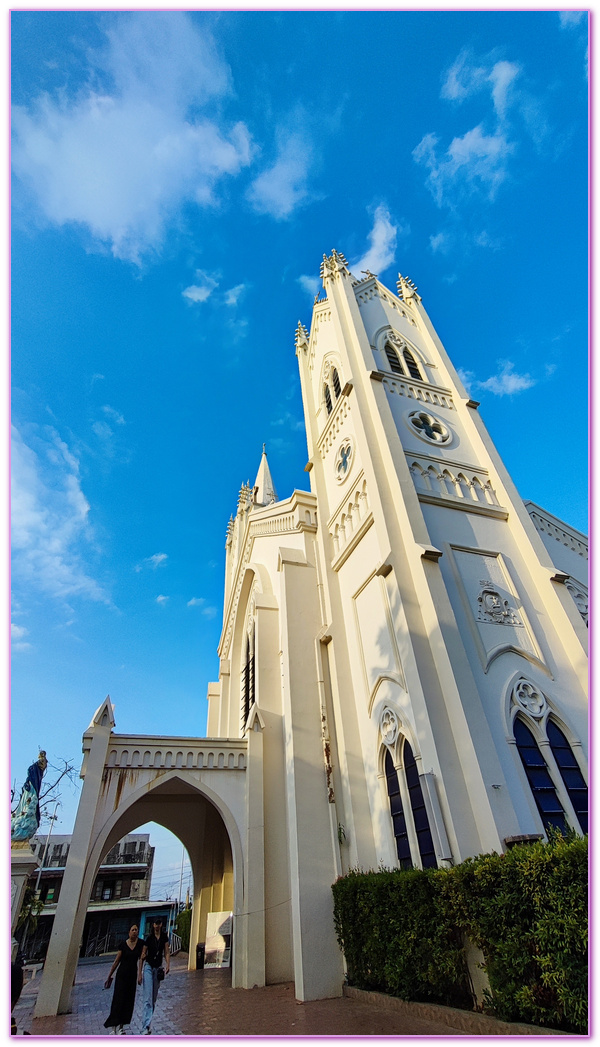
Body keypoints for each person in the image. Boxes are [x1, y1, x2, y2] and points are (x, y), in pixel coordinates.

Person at [103, 924, 144, 1035]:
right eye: (132, 930)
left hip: (132, 976)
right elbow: (117, 961)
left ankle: (121, 1026)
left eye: (136, 930)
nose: (135, 932)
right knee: (118, 1000)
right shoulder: (123, 945)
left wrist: (140, 974)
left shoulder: (140, 944)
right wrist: (109, 975)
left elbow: (141, 959)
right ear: (129, 932)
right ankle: (113, 1027)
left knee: (128, 1001)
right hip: (122, 975)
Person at [138, 917, 170, 1035]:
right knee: (148, 997)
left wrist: (167, 964)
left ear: (161, 925)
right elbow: (142, 955)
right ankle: (145, 1026)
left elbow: (166, 951)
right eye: (155, 924)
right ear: (152, 925)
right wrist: (140, 973)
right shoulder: (149, 939)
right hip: (148, 967)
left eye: (159, 923)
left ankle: (149, 1023)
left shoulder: (164, 937)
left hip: (158, 968)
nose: (157, 926)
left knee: (153, 998)